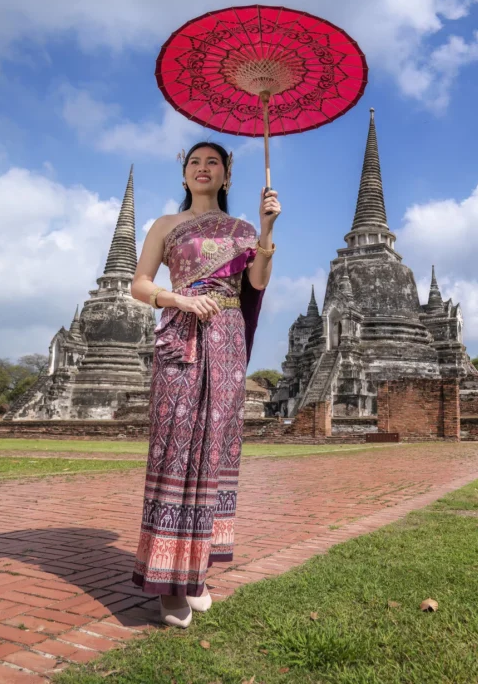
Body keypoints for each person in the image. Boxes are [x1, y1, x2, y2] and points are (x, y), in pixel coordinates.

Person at [129, 141, 281, 628]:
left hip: (227, 339)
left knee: (214, 448)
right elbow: (139, 284)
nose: (202, 168)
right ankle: (167, 580)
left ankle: (193, 571)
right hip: (181, 334)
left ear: (226, 174)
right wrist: (180, 299)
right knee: (176, 446)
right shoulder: (166, 226)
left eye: (212, 161)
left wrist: (267, 228)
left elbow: (257, 283)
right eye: (194, 161)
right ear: (184, 173)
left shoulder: (243, 230)